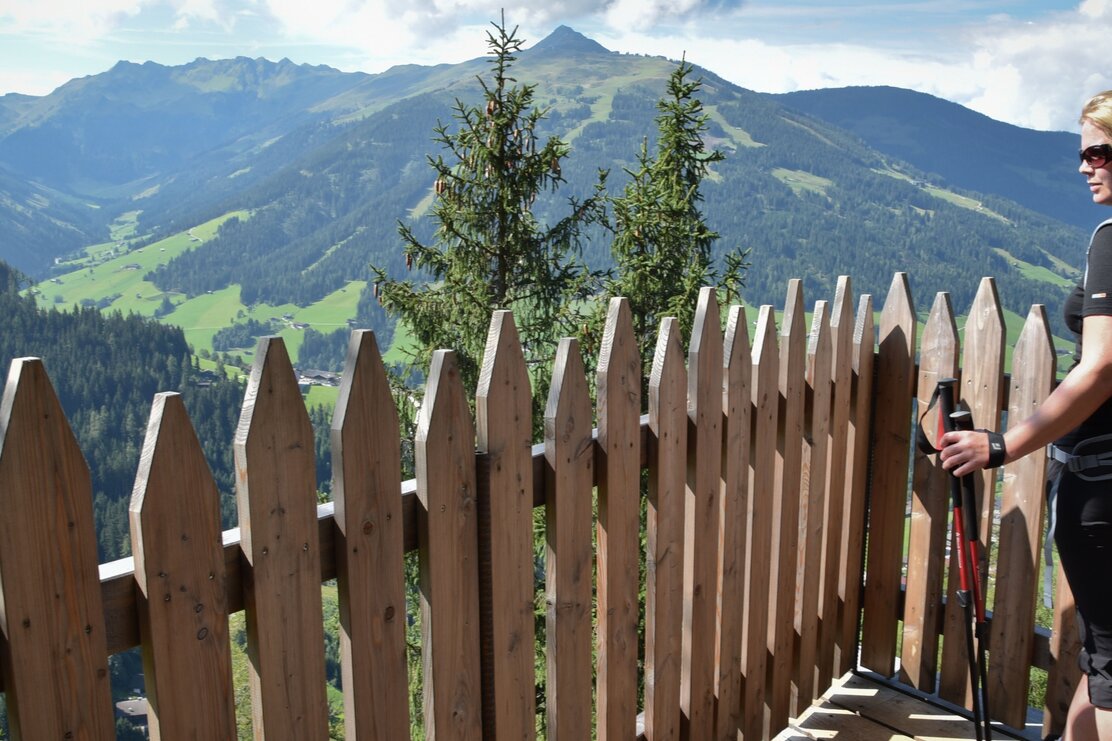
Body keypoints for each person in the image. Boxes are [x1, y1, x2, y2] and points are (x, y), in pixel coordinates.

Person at [940, 90, 1112, 740]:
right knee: (1103, 663)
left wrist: (1001, 445)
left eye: (1100, 151)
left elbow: (1099, 368)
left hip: (1102, 489)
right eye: (1083, 152)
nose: (1084, 165)